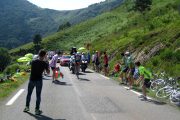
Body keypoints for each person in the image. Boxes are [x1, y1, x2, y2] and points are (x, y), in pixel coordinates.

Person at [23, 49, 50, 115]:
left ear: (38, 54)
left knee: (29, 94)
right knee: (38, 95)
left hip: (32, 80)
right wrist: (46, 62)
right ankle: (37, 110)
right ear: (44, 56)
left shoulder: (33, 61)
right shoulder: (45, 63)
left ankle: (27, 107)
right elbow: (48, 73)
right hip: (39, 80)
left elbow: (27, 65)